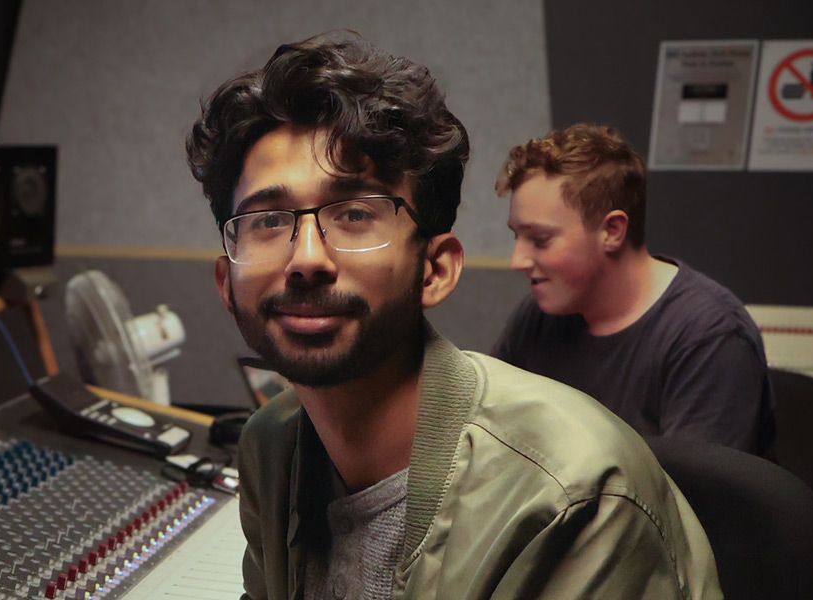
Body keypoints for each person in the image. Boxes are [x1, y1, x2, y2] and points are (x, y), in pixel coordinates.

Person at [186, 31, 719, 599]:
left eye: (355, 214)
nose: (307, 258)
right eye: (267, 220)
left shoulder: (574, 496)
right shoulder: (271, 446)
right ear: (227, 282)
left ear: (435, 269)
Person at [491, 124, 772, 453]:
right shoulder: (536, 318)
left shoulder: (710, 336)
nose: (518, 260)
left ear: (612, 231)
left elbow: (689, 499)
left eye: (540, 239)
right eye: (516, 236)